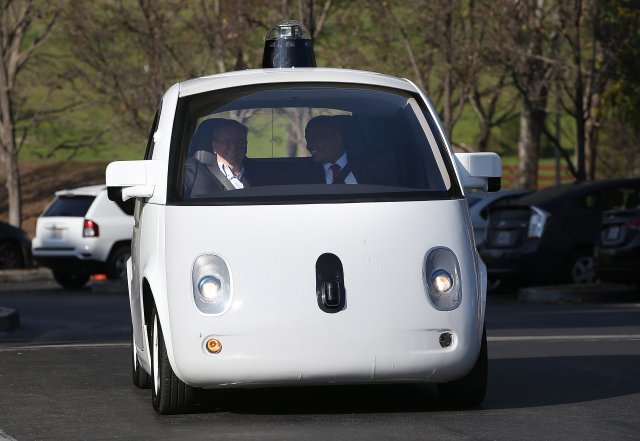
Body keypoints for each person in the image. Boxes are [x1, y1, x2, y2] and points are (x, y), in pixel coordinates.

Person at [304, 115, 399, 186]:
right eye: (307, 140)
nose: (308, 145)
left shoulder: (375, 167)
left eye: (315, 138)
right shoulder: (304, 175)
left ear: (337, 138)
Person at [184, 118, 254, 197]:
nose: (233, 147)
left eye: (239, 141)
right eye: (226, 142)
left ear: (245, 145)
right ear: (214, 146)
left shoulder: (260, 172)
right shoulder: (194, 170)